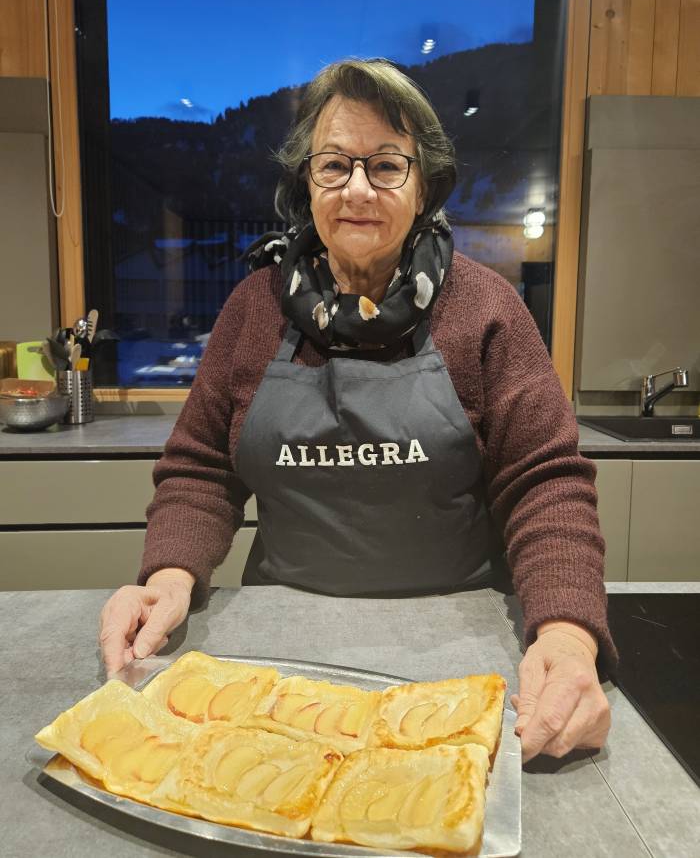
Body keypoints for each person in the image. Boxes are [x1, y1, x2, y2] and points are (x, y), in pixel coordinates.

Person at [99, 58, 614, 763]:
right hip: (273, 650)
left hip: (456, 647)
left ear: (424, 181)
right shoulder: (252, 309)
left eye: (386, 166)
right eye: (335, 165)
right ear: (304, 183)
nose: (358, 189)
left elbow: (546, 483)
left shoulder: (489, 310)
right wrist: (167, 578)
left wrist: (565, 633)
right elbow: (201, 471)